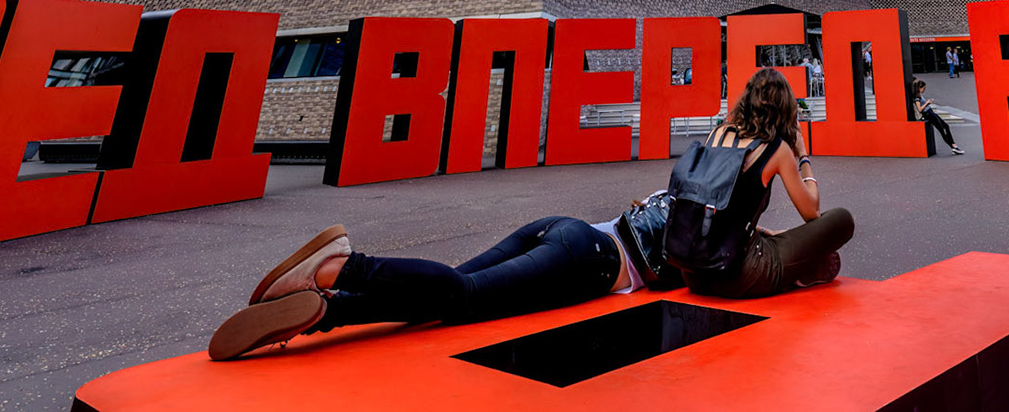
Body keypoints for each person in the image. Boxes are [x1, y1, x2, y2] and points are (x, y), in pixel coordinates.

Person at [208, 189, 679, 360]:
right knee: (467, 296)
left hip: (564, 229)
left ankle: (327, 312)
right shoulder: (712, 229)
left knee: (443, 294)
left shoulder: (683, 186)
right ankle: (340, 266)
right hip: (592, 259)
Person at [683, 68, 854, 299]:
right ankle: (795, 274)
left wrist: (763, 231)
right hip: (740, 274)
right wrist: (803, 155)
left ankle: (793, 266)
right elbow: (811, 212)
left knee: (775, 238)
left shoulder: (718, 134)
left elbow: (715, 210)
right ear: (784, 108)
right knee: (842, 219)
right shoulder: (776, 149)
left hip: (694, 273)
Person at [912, 79, 963, 155]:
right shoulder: (917, 97)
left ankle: (954, 146)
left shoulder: (919, 96)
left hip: (930, 112)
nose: (924, 90)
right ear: (919, 88)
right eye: (923, 88)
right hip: (928, 113)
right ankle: (953, 146)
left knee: (945, 126)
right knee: (942, 129)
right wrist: (927, 103)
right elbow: (920, 109)